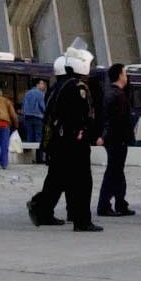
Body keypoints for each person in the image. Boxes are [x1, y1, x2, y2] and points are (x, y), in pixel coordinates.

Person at [29, 44, 99, 230]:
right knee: (82, 181)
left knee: (57, 178)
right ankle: (82, 220)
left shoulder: (56, 86)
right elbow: (82, 115)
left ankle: (42, 209)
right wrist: (86, 133)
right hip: (74, 140)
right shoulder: (78, 87)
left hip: (57, 140)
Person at [96, 64, 134, 217]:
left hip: (114, 138)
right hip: (117, 139)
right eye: (125, 73)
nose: (127, 76)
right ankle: (104, 205)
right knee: (113, 172)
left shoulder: (111, 93)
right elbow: (116, 120)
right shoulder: (117, 95)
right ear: (119, 75)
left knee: (117, 171)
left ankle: (120, 203)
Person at [20, 79, 47, 163]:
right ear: (37, 84)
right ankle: (39, 158)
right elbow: (43, 106)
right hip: (38, 117)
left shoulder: (27, 93)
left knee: (30, 137)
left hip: (27, 117)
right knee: (38, 137)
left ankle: (30, 158)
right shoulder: (40, 94)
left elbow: (23, 106)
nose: (44, 85)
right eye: (42, 83)